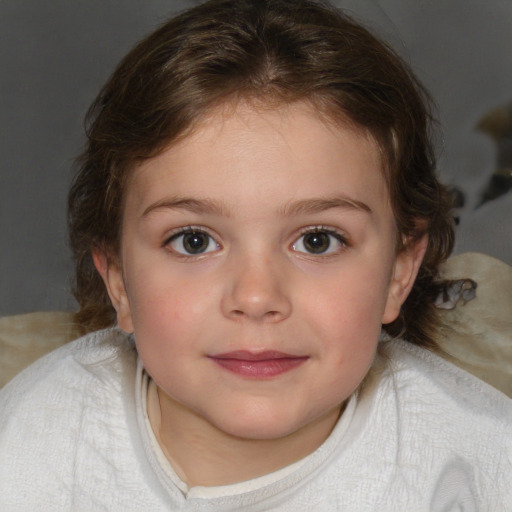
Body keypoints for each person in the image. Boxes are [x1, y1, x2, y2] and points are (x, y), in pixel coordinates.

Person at [1, 0, 511, 510]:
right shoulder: (34, 442)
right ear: (117, 279)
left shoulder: (473, 465)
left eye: (317, 240)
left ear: (400, 272)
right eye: (193, 241)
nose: (256, 296)